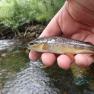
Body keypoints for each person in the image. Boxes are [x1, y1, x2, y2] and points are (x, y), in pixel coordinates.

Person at [29, 0, 94, 70]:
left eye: (32, 44)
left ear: (42, 44)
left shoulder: (45, 45)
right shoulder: (44, 44)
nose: (30, 45)